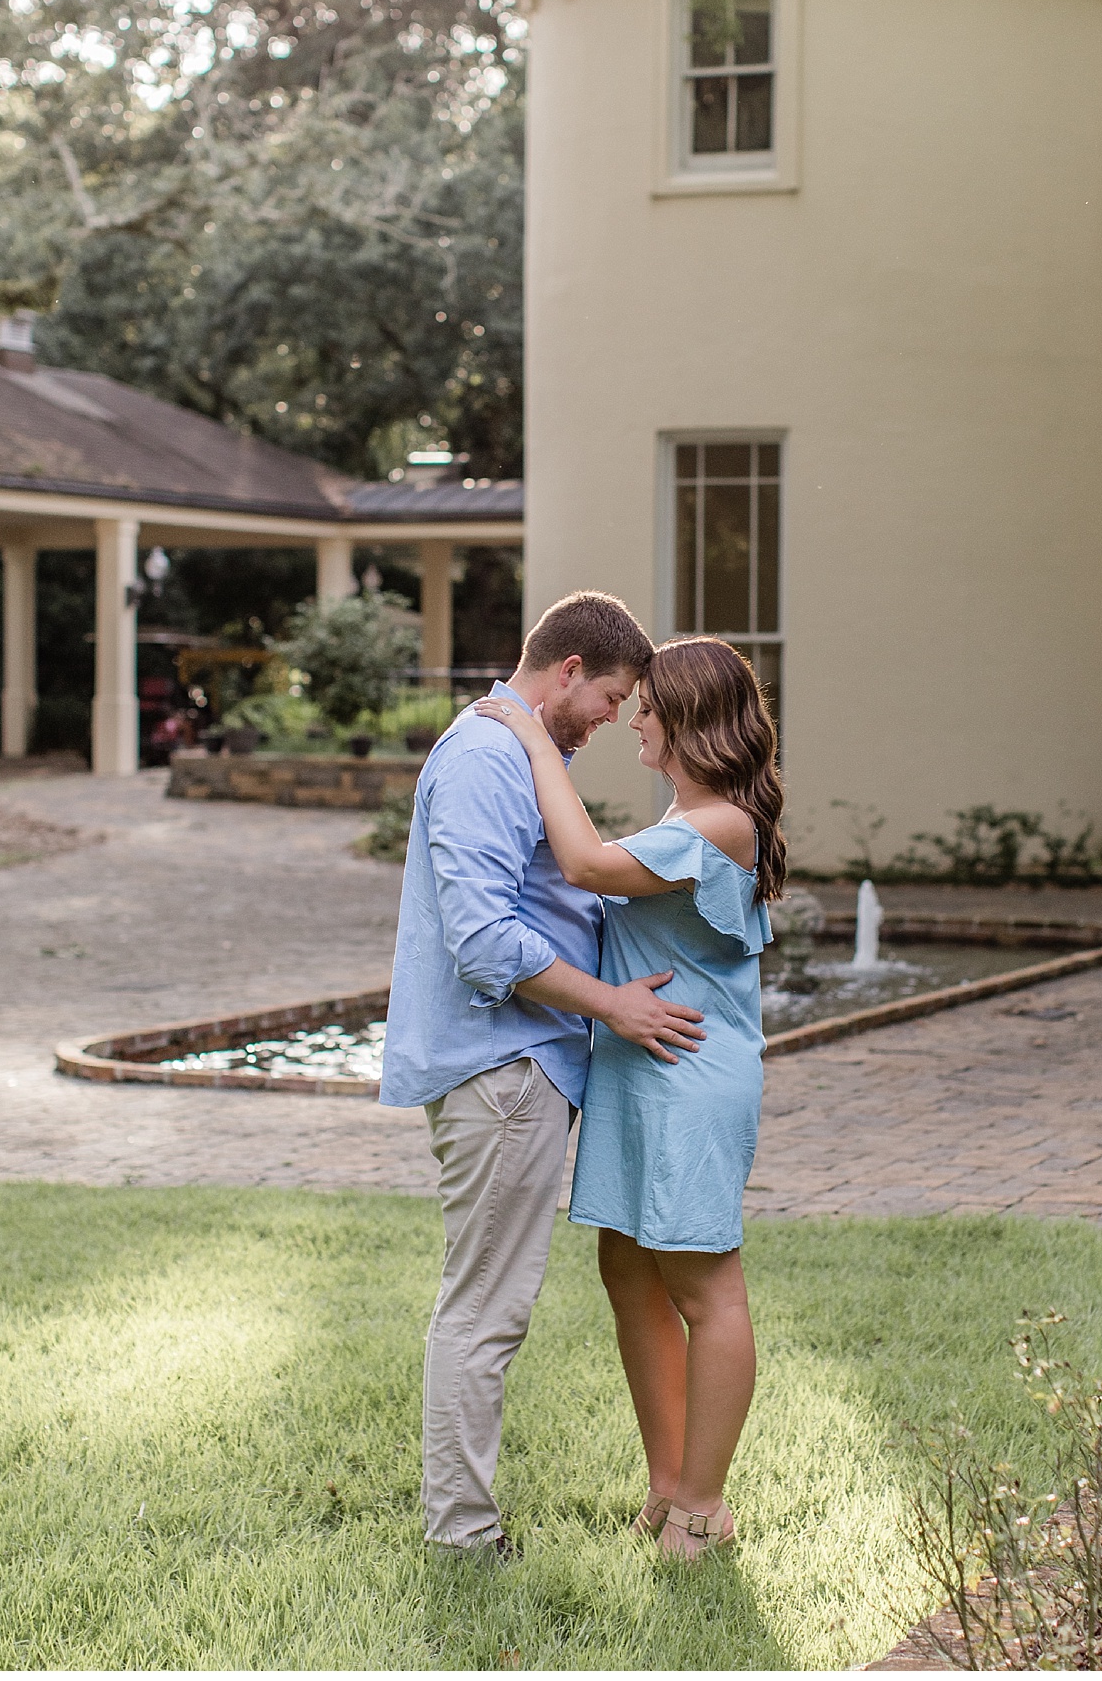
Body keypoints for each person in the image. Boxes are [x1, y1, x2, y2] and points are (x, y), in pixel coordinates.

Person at [379, 592, 707, 1558]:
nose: (613, 720)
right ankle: (462, 1537)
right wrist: (614, 1005)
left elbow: (560, 896)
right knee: (485, 1309)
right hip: (505, 1066)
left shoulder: (520, 752)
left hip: (517, 1064)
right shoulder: (489, 756)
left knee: (484, 1303)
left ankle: (461, 1527)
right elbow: (484, 942)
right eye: (610, 699)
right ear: (567, 670)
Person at [474, 635, 784, 1560]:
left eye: (647, 705)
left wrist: (535, 743)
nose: (634, 718)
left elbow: (585, 866)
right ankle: (665, 1482)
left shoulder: (720, 824)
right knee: (629, 1274)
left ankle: (701, 1506)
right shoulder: (686, 822)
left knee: (704, 1287)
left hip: (688, 1076)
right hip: (637, 1069)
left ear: (689, 719)